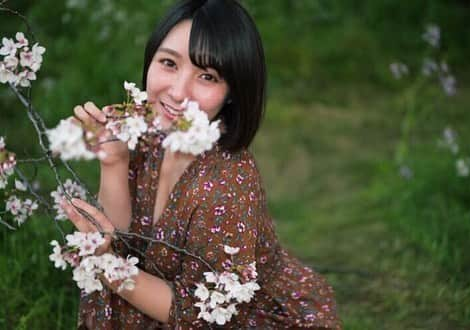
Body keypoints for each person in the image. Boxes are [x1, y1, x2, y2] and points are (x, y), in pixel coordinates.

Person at [64, 0, 342, 328]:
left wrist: (107, 266)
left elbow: (199, 314)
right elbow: (128, 244)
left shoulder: (228, 182)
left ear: (232, 92)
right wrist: (114, 161)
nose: (179, 92)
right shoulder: (146, 132)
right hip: (162, 296)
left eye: (207, 76)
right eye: (169, 63)